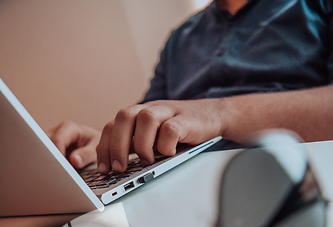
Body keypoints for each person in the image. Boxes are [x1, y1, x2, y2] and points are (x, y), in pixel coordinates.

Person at [49, 0, 333, 175]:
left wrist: (218, 114)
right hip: (178, 194)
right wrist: (102, 143)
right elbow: (152, 121)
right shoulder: (180, 37)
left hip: (288, 184)